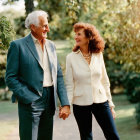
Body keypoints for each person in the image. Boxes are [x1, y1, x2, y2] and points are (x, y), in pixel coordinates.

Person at [5, 10, 70, 140]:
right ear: (33, 27)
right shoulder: (17, 46)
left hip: (49, 99)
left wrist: (65, 103)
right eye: (44, 26)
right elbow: (10, 77)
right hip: (30, 100)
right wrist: (28, 97)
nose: (48, 29)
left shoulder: (51, 46)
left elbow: (58, 75)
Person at [65, 22, 120, 140]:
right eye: (75, 34)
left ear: (88, 37)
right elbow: (69, 84)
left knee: (113, 136)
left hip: (101, 100)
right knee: (86, 137)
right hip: (80, 103)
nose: (76, 37)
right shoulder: (71, 57)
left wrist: (110, 105)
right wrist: (67, 105)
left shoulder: (98, 54)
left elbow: (105, 80)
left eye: (79, 34)